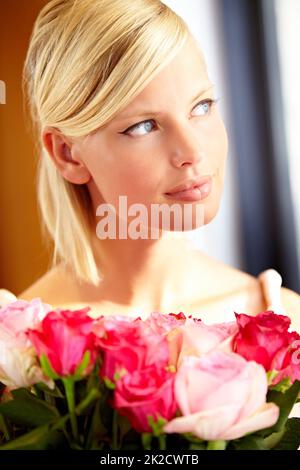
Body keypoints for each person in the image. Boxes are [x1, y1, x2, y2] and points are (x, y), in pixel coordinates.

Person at [8, 0, 300, 328]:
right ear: (67, 154)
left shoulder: (284, 320)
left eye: (202, 106)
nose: (193, 151)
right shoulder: (16, 350)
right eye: (144, 126)